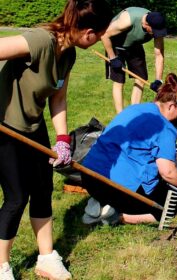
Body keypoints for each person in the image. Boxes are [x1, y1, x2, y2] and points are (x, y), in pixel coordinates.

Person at [0, 1, 113, 279]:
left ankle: (46, 257)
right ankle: (1, 265)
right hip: (4, 127)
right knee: (16, 197)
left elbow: (58, 97)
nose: (99, 39)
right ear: (88, 31)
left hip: (32, 126)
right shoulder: (41, 40)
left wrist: (62, 139)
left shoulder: (68, 54)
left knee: (42, 190)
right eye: (99, 34)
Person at [81, 73, 177, 226]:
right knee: (171, 208)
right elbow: (167, 172)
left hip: (90, 176)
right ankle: (116, 216)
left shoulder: (136, 110)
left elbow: (159, 145)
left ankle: (101, 201)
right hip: (116, 187)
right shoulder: (165, 128)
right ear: (171, 106)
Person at [101, 7, 167, 113]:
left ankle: (133, 113)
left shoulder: (156, 25)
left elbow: (159, 54)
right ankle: (121, 116)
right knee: (119, 81)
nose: (156, 34)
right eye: (154, 31)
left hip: (134, 45)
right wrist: (113, 58)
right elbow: (104, 35)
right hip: (116, 45)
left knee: (141, 79)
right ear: (146, 24)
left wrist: (158, 79)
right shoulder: (127, 20)